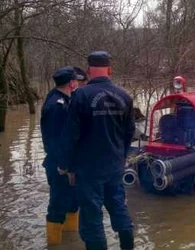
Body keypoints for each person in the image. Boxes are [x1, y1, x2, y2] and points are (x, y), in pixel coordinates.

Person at [61, 51, 135, 250]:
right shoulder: (125, 96)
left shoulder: (80, 96)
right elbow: (130, 133)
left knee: (92, 218)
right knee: (118, 207)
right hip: (115, 166)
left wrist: (67, 166)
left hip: (88, 168)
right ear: (110, 70)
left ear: (88, 70)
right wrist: (122, 157)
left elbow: (71, 135)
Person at [40, 67, 79, 245]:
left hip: (66, 162)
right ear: (71, 83)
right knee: (57, 205)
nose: (78, 83)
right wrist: (65, 166)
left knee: (71, 202)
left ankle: (71, 241)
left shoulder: (59, 98)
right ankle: (54, 244)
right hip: (59, 165)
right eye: (76, 80)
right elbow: (57, 141)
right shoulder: (57, 106)